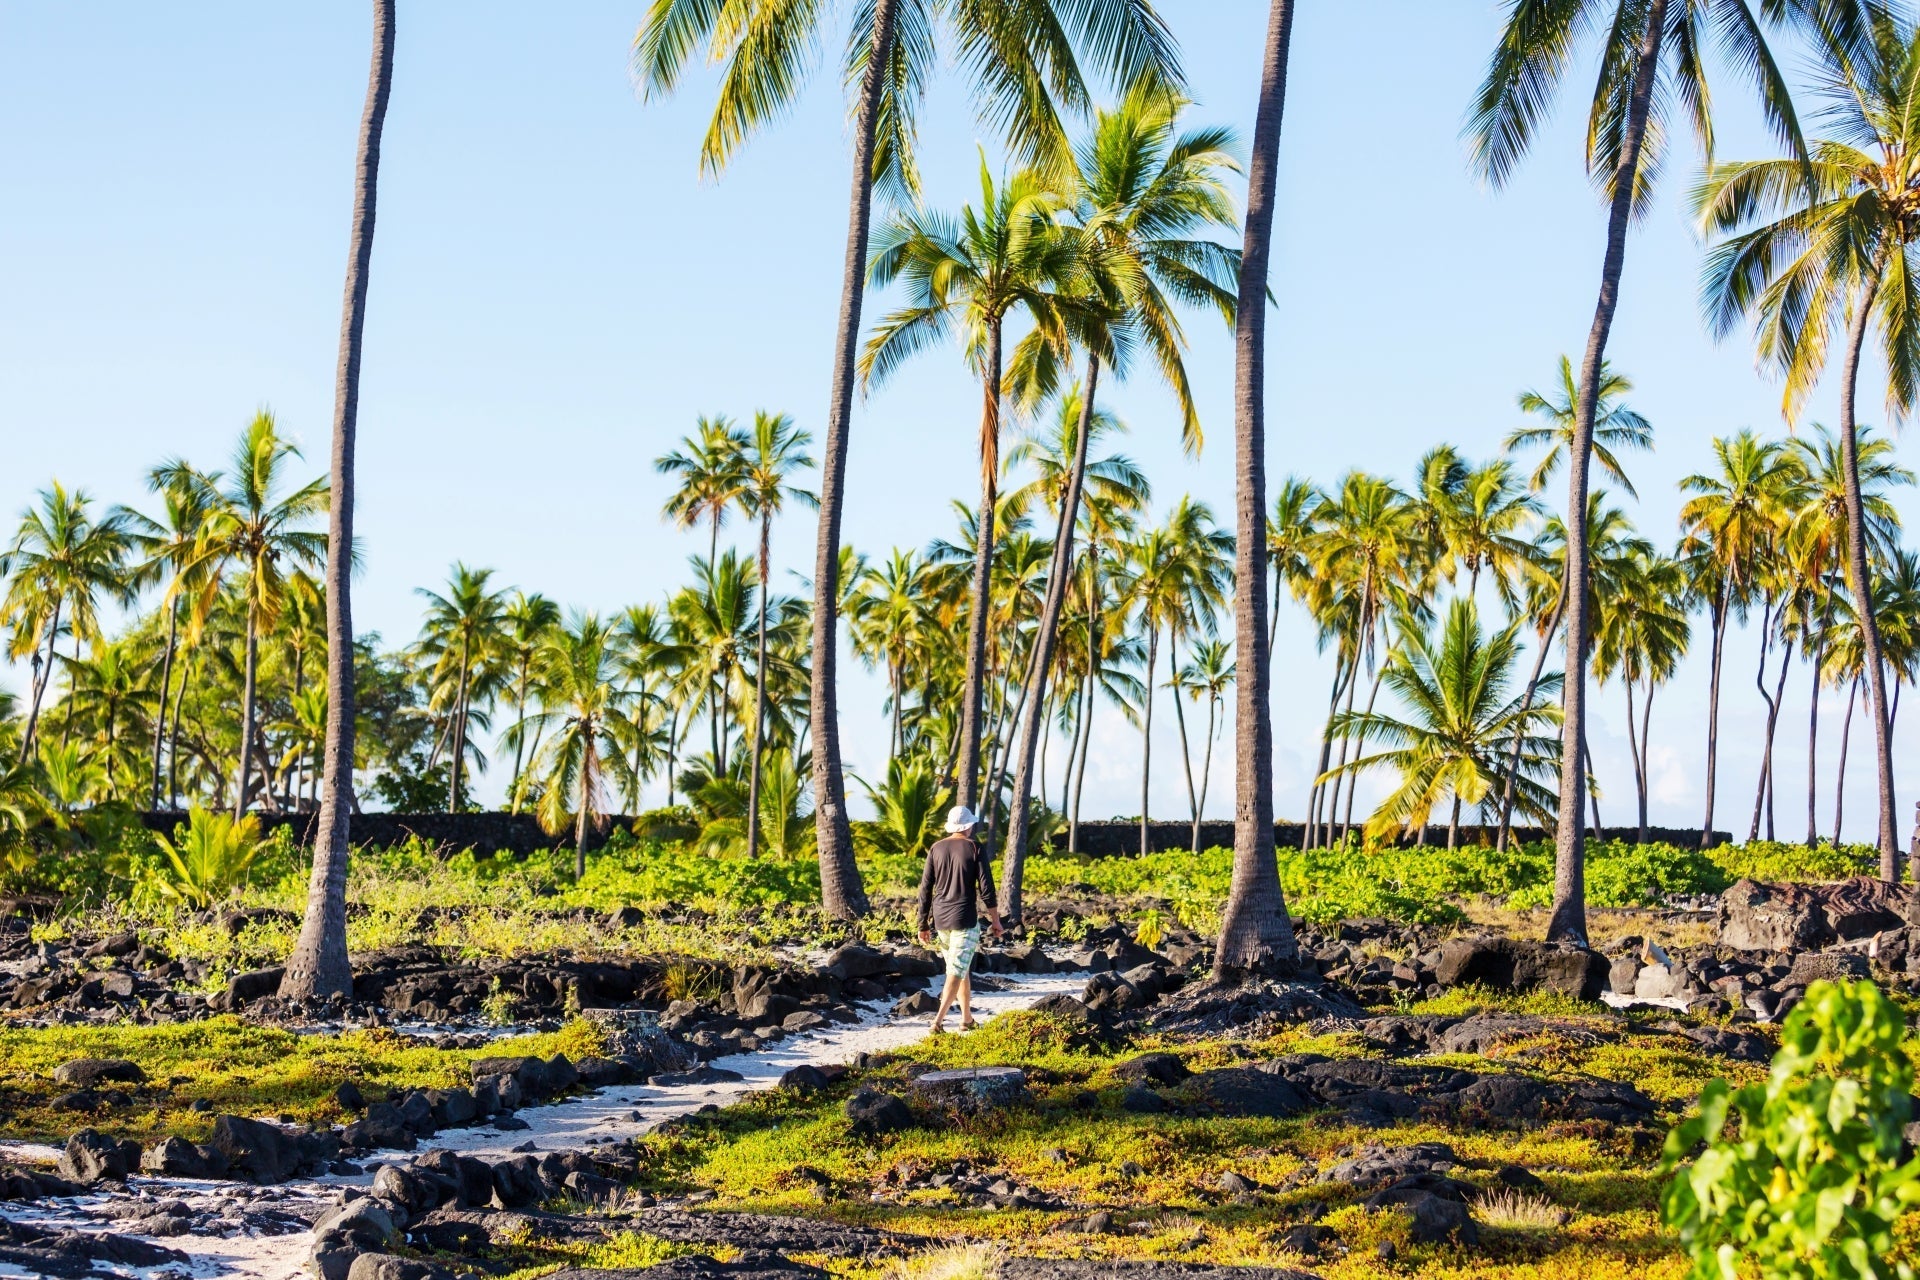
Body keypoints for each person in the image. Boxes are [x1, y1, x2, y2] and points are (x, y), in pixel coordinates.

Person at [916, 804, 1003, 1033]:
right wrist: (996, 920)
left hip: (941, 919)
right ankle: (938, 1022)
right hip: (964, 918)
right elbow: (987, 888)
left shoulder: (936, 848)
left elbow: (925, 889)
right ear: (968, 826)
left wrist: (923, 923)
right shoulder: (974, 847)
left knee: (960, 968)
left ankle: (966, 1019)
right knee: (955, 970)